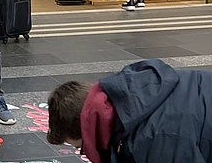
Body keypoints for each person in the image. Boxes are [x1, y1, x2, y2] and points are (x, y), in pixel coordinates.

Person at [47, 59, 212, 163]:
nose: (83, 153)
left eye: (80, 147)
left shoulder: (151, 140)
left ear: (88, 133)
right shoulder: (127, 96)